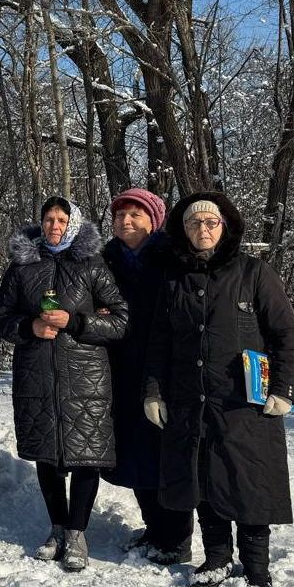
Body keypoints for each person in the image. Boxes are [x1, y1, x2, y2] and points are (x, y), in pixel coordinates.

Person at [144, 193, 294, 587]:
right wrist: (153, 391)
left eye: (210, 223)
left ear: (224, 226)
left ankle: (256, 566)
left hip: (245, 403)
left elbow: (285, 334)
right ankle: (216, 557)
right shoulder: (175, 279)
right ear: (184, 230)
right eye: (194, 224)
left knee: (249, 482)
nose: (203, 230)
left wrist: (284, 388)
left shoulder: (254, 272)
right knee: (203, 481)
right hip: (190, 398)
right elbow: (159, 343)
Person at [0, 197, 128, 572]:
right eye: (49, 219)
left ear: (73, 223)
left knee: (86, 456)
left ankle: (78, 532)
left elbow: (120, 320)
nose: (54, 225)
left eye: (61, 219)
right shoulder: (23, 267)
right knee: (47, 455)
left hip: (86, 376)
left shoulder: (91, 264)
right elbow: (0, 318)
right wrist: (28, 327)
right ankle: (56, 527)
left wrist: (76, 322)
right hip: (36, 373)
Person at [99, 188, 194, 563]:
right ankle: (155, 528)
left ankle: (178, 538)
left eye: (136, 215)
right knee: (135, 455)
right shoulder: (106, 260)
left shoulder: (172, 257)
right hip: (121, 368)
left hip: (166, 370)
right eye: (121, 215)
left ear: (153, 220)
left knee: (167, 455)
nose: (127, 222)